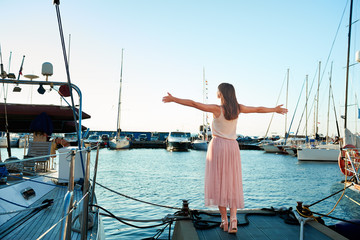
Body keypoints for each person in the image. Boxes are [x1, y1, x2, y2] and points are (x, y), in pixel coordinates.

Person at [162, 83, 287, 234]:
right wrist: (275, 109)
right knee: (231, 182)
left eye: (217, 90)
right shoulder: (238, 109)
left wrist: (174, 99)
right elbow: (258, 109)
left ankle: (224, 221)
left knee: (219, 182)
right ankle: (234, 220)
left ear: (220, 93)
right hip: (232, 147)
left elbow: (194, 104)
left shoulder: (217, 109)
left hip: (218, 146)